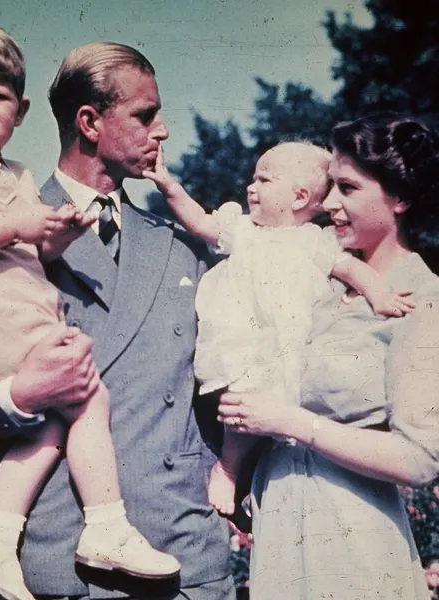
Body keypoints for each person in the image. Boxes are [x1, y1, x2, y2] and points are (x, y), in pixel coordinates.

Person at [0, 41, 235, 600]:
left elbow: (228, 381)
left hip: (181, 553)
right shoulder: (1, 232)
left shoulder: (181, 245)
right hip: (63, 559)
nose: (163, 130)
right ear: (90, 123)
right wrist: (21, 395)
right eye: (145, 115)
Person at [217, 113, 439, 599]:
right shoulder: (316, 283)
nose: (330, 202)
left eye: (348, 189)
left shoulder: (422, 299)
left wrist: (293, 422)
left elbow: (419, 459)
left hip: (353, 541)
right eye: (330, 186)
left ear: (400, 198)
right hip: (279, 527)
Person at [144, 140, 414, 516]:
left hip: (288, 342)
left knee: (276, 408)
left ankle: (250, 478)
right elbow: (201, 222)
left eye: (264, 180)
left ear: (299, 197)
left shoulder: (315, 242)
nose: (251, 187)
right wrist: (169, 186)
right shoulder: (244, 230)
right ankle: (229, 468)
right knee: (243, 402)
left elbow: (353, 269)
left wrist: (380, 294)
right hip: (243, 337)